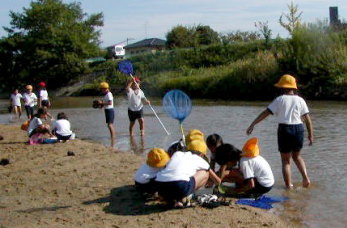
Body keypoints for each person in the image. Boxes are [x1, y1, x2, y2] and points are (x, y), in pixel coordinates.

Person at [246, 74, 313, 189]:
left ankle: (289, 186)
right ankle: (306, 179)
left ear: (283, 87)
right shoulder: (300, 100)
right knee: (297, 156)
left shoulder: (279, 99)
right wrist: (311, 135)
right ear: (293, 87)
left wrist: (253, 124)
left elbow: (265, 113)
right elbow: (307, 119)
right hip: (299, 129)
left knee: (286, 161)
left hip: (285, 129)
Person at [156, 135, 221, 207]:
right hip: (180, 186)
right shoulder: (198, 158)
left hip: (160, 187)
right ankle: (188, 196)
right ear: (202, 154)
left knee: (179, 175)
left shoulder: (177, 154)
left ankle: (169, 200)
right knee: (205, 172)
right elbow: (217, 181)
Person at [99, 82, 116, 147]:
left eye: (102, 89)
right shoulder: (106, 95)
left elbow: (110, 103)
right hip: (107, 110)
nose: (102, 90)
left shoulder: (109, 94)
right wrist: (101, 105)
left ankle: (113, 138)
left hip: (110, 110)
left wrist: (102, 103)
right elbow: (106, 103)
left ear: (105, 88)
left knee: (110, 125)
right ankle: (112, 137)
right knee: (109, 125)